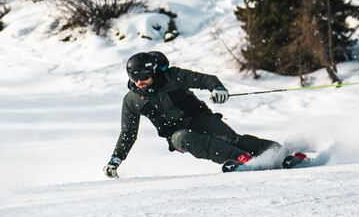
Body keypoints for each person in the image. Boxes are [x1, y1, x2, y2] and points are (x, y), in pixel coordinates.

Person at [105, 51, 295, 177]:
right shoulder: (132, 100)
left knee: (231, 139)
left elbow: (204, 79)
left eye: (143, 76)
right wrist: (116, 160)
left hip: (199, 118)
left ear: (153, 72)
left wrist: (217, 88)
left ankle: (283, 154)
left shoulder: (172, 77)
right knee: (187, 138)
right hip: (175, 134)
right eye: (134, 77)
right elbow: (128, 133)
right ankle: (242, 160)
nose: (139, 82)